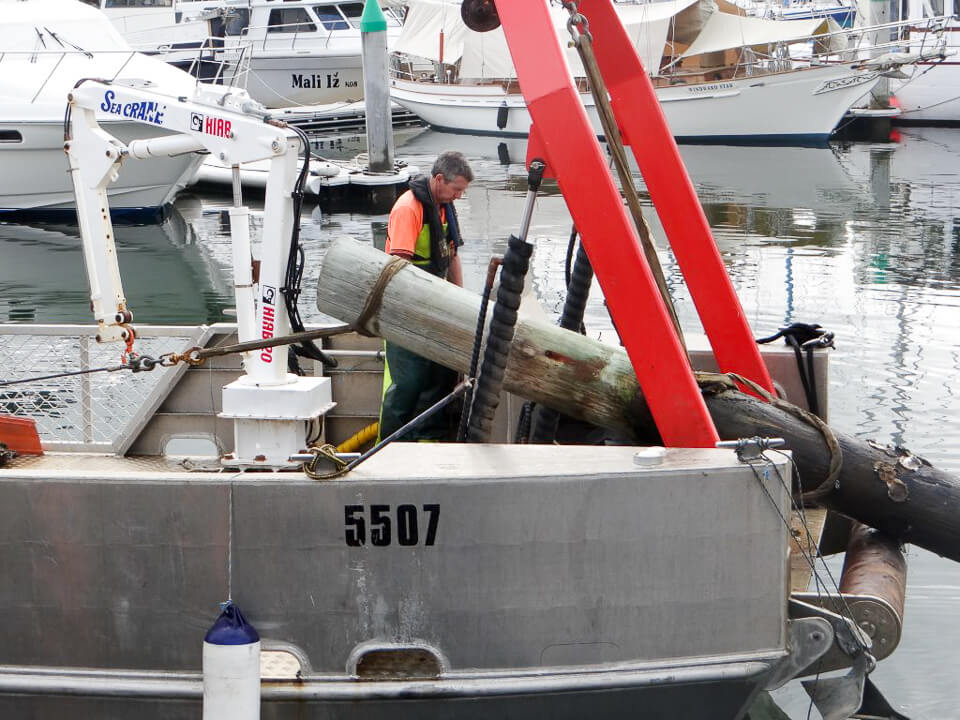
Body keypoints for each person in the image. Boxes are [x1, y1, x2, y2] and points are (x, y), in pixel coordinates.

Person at [378, 151, 474, 441]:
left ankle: (429, 440)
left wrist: (460, 303)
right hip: (404, 307)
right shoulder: (409, 208)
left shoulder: (444, 207)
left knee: (440, 376)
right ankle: (391, 446)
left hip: (436, 306)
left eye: (462, 191)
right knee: (409, 382)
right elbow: (400, 266)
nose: (458, 196)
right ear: (439, 179)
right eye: (456, 189)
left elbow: (451, 256)